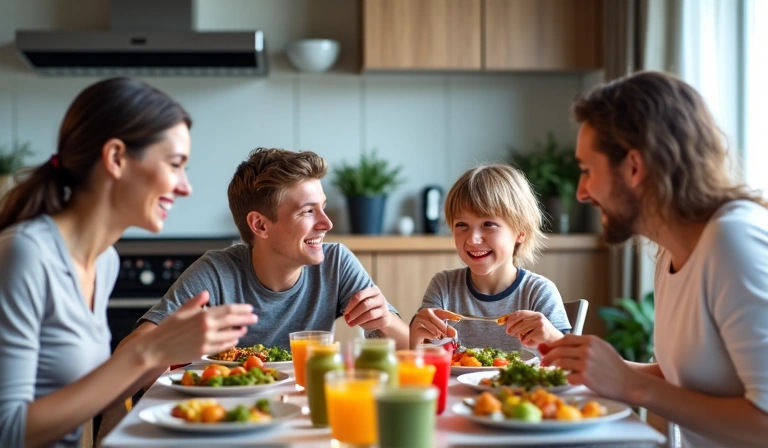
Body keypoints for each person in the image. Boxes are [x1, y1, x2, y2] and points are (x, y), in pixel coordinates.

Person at [0, 78, 257, 448]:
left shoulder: (103, 262)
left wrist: (166, 354)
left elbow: (91, 402)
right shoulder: (25, 254)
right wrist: (147, 351)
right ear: (117, 158)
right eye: (175, 164)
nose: (186, 187)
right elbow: (10, 431)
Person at [539, 71, 768, 447]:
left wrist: (631, 386)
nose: (580, 192)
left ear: (633, 167)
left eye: (586, 170)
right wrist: (594, 367)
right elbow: (690, 378)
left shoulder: (734, 241)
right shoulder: (671, 250)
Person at [123, 147, 410, 352]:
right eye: (308, 211)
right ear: (260, 225)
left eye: (322, 207)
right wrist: (176, 342)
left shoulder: (335, 263)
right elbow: (130, 353)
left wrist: (384, 321)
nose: (327, 223)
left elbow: (413, 349)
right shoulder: (217, 273)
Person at [410, 164, 571, 351]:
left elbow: (569, 365)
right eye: (462, 225)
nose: (472, 239)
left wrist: (552, 338)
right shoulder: (443, 286)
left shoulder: (539, 292)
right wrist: (415, 337)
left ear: (521, 231)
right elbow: (424, 359)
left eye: (488, 224)